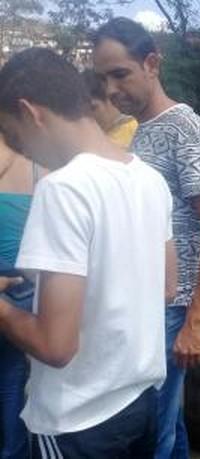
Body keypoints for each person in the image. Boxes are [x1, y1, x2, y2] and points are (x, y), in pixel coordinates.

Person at [0, 47, 175, 457]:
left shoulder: (63, 188)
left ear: (32, 113)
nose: (21, 150)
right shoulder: (149, 179)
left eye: (14, 134)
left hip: (77, 422)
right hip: (140, 402)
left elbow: (55, 346)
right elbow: (166, 287)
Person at [93, 18, 200, 458]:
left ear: (151, 63)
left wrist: (196, 320)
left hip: (173, 310)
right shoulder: (141, 130)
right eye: (103, 78)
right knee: (165, 422)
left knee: (152, 431)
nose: (112, 88)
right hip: (148, 305)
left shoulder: (183, 129)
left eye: (121, 73)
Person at [0, 135, 42, 458]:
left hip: (17, 289)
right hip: (21, 287)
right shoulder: (37, 161)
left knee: (12, 384)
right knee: (12, 386)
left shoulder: (40, 163)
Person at [81, 68, 138, 147]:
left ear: (110, 100)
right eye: (83, 111)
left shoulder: (132, 133)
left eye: (92, 109)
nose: (88, 116)